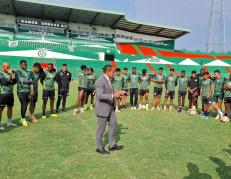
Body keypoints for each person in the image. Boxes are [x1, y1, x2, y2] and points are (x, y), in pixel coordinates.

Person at [95, 65, 125, 154]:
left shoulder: (109, 80)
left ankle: (112, 145)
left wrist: (118, 92)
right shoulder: (100, 80)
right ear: (108, 72)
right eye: (113, 72)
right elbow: (100, 95)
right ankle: (99, 147)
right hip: (102, 108)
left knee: (113, 124)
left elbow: (110, 92)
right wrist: (113, 95)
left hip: (110, 107)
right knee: (101, 129)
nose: (114, 73)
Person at [16, 60, 34, 127]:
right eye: (23, 65)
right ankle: (23, 120)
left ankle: (22, 118)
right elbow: (22, 80)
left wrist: (32, 90)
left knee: (25, 105)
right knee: (24, 104)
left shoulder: (29, 72)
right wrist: (30, 81)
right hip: (21, 91)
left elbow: (31, 83)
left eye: (26, 64)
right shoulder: (18, 71)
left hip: (28, 92)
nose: (25, 66)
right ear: (20, 65)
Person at [0, 62, 17, 130]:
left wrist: (12, 75)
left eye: (9, 67)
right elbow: (4, 83)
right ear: (3, 67)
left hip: (10, 93)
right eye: (7, 67)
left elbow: (15, 81)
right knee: (0, 109)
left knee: (10, 108)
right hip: (2, 94)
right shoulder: (0, 73)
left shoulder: (11, 73)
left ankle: (9, 122)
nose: (9, 68)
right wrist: (12, 81)